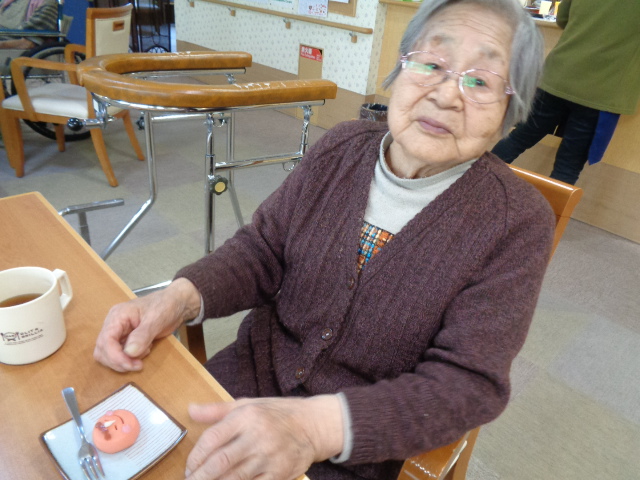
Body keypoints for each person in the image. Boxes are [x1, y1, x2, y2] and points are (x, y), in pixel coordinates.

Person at [94, 0, 555, 479]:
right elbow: (262, 251)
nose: (446, 95)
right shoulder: (341, 147)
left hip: (357, 448)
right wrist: (179, 297)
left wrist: (314, 428)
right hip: (245, 384)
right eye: (431, 63)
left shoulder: (516, 222)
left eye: (481, 81)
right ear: (400, 69)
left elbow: (466, 383)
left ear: (510, 112)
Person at [491, 0, 640, 185]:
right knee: (568, 166)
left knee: (518, 139)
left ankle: (468, 188)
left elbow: (562, 18)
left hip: (556, 77)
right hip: (601, 92)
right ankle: (550, 207)